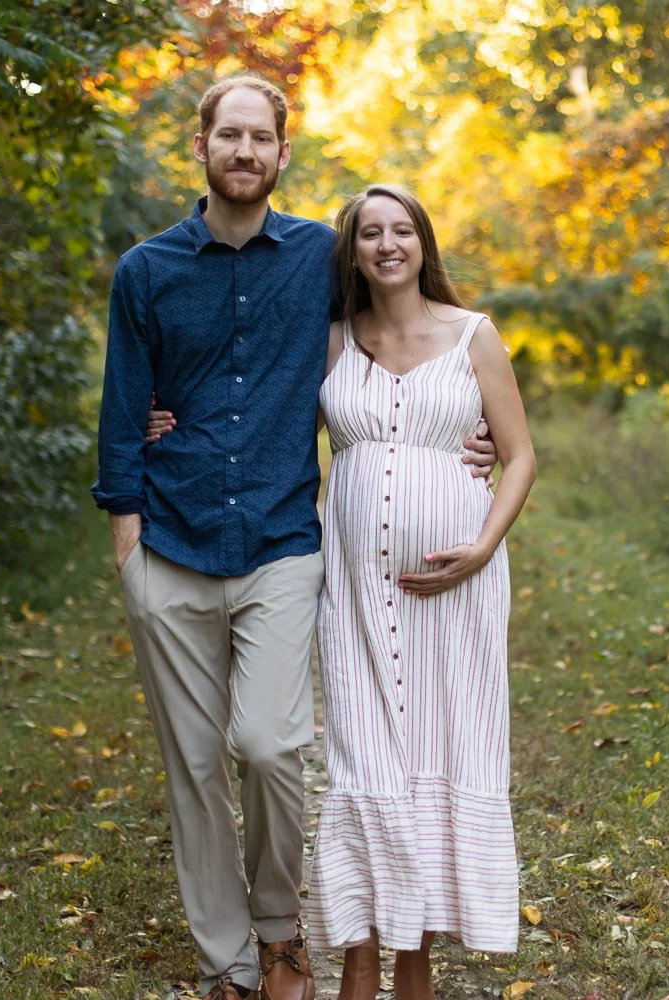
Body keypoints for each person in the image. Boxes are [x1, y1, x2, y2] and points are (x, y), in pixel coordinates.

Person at [92, 76, 494, 1000]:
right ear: (202, 147)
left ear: (282, 152)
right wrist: (127, 542)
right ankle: (229, 960)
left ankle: (281, 931)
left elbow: (409, 322)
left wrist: (462, 423)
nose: (244, 152)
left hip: (279, 538)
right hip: (169, 544)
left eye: (259, 138)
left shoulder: (321, 255)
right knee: (194, 767)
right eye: (227, 136)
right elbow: (122, 409)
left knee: (272, 746)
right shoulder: (146, 271)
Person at [147, 185, 537, 1000]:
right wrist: (165, 420)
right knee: (363, 759)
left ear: (424, 243)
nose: (388, 244)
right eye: (370, 233)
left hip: (458, 588)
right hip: (355, 587)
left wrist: (482, 546)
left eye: (402, 230)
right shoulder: (330, 343)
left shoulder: (475, 337)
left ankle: (416, 955)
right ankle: (360, 950)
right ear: (351, 251)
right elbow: (247, 409)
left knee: (437, 751)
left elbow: (521, 455)